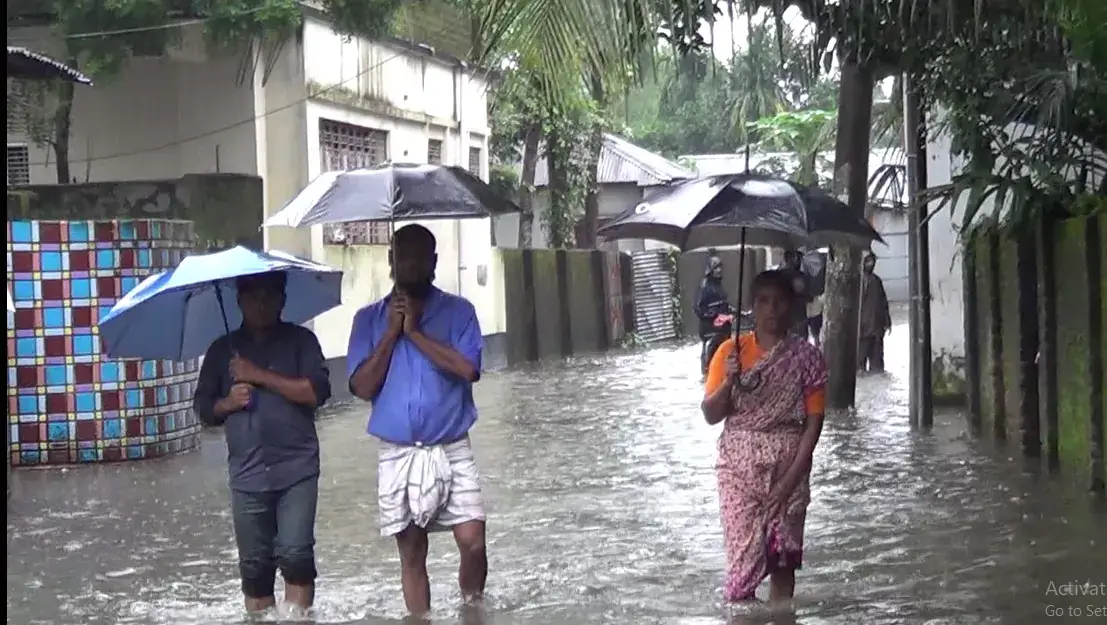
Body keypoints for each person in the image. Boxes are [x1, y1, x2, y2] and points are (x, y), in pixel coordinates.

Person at [346, 224, 487, 617]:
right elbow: (361, 387)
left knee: (473, 540)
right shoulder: (368, 320)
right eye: (402, 256)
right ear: (390, 262)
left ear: (434, 263)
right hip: (398, 451)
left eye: (419, 256)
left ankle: (472, 608)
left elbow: (468, 369)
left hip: (452, 444)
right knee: (411, 550)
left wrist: (416, 334)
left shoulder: (460, 312)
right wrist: (392, 334)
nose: (410, 264)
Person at [193, 271, 332, 617]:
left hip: (296, 469)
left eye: (269, 296)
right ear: (239, 301)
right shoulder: (221, 351)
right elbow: (204, 409)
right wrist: (228, 403)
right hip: (247, 474)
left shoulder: (302, 342)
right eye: (253, 296)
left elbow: (316, 393)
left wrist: (258, 374)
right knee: (255, 569)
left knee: (296, 555)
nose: (261, 303)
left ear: (283, 300)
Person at [701, 269, 828, 604]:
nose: (772, 309)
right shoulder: (730, 352)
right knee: (741, 578)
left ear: (791, 307)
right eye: (763, 301)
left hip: (789, 471)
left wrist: (788, 482)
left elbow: (813, 424)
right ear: (752, 307)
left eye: (779, 301)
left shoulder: (807, 358)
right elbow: (710, 415)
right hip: (738, 474)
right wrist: (730, 380)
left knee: (783, 567)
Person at [694, 254, 731, 374]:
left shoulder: (719, 285)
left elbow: (723, 304)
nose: (719, 270)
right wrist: (715, 315)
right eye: (716, 267)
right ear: (710, 269)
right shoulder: (705, 286)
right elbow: (698, 308)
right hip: (711, 331)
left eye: (720, 267)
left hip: (723, 330)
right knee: (710, 362)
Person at [859, 253, 893, 373]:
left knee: (877, 367)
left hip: (876, 328)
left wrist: (887, 321)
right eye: (868, 261)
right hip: (861, 331)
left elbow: (883, 302)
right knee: (859, 366)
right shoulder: (856, 282)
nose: (871, 264)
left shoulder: (876, 281)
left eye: (872, 261)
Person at [777, 250, 811, 340]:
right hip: (797, 318)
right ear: (794, 259)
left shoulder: (777, 276)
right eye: (799, 258)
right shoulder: (800, 276)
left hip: (782, 318)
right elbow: (807, 296)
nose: (800, 261)